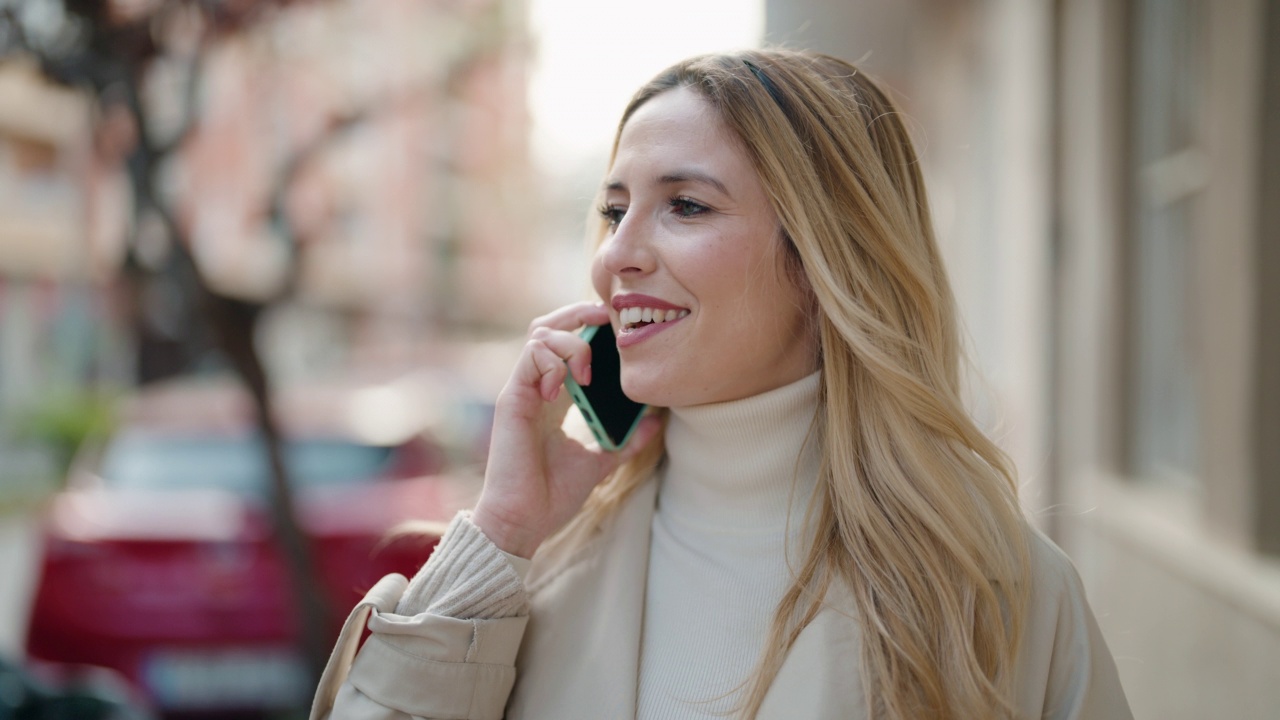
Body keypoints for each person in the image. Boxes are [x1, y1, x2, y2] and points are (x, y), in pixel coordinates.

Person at [310, 49, 1133, 720]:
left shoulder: (1002, 594)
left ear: (824, 262)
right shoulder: (528, 572)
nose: (616, 255)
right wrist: (502, 531)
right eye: (614, 208)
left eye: (687, 206)